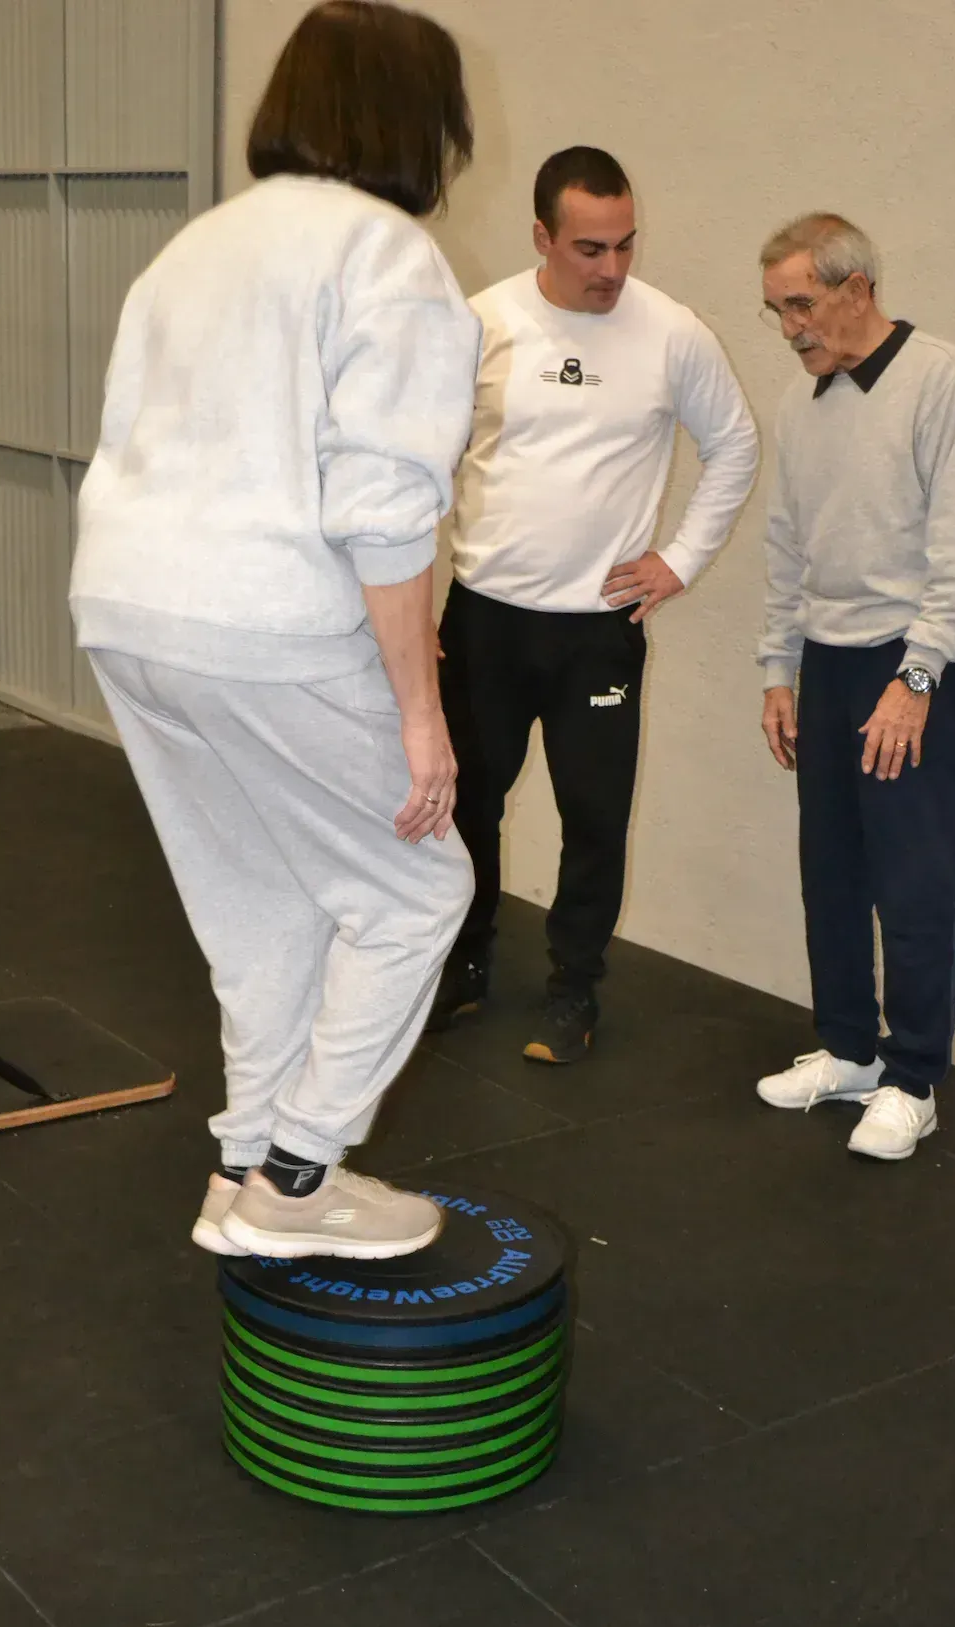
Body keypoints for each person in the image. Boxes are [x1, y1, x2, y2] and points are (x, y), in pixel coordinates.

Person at [69, 0, 480, 1258]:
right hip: (265, 622)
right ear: (420, 120)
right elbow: (384, 506)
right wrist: (421, 716)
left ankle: (243, 1158)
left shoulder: (195, 246)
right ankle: (298, 1183)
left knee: (262, 902)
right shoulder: (387, 255)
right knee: (419, 890)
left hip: (128, 607)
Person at [430, 147, 758, 1063]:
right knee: (464, 806)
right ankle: (463, 966)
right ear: (542, 236)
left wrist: (680, 560)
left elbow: (733, 444)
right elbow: (420, 467)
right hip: (484, 618)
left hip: (598, 633)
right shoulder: (481, 324)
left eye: (624, 245)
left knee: (594, 817)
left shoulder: (672, 332)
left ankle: (574, 990)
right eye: (588, 249)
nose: (612, 269)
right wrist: (413, 603)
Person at [755, 212, 955, 1160]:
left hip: (919, 658)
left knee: (914, 878)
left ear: (857, 287)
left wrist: (918, 677)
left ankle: (915, 1079)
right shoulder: (798, 402)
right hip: (828, 654)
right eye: (777, 311)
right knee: (834, 871)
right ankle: (850, 1051)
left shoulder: (940, 378)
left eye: (802, 305)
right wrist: (779, 666)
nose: (790, 328)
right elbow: (785, 543)